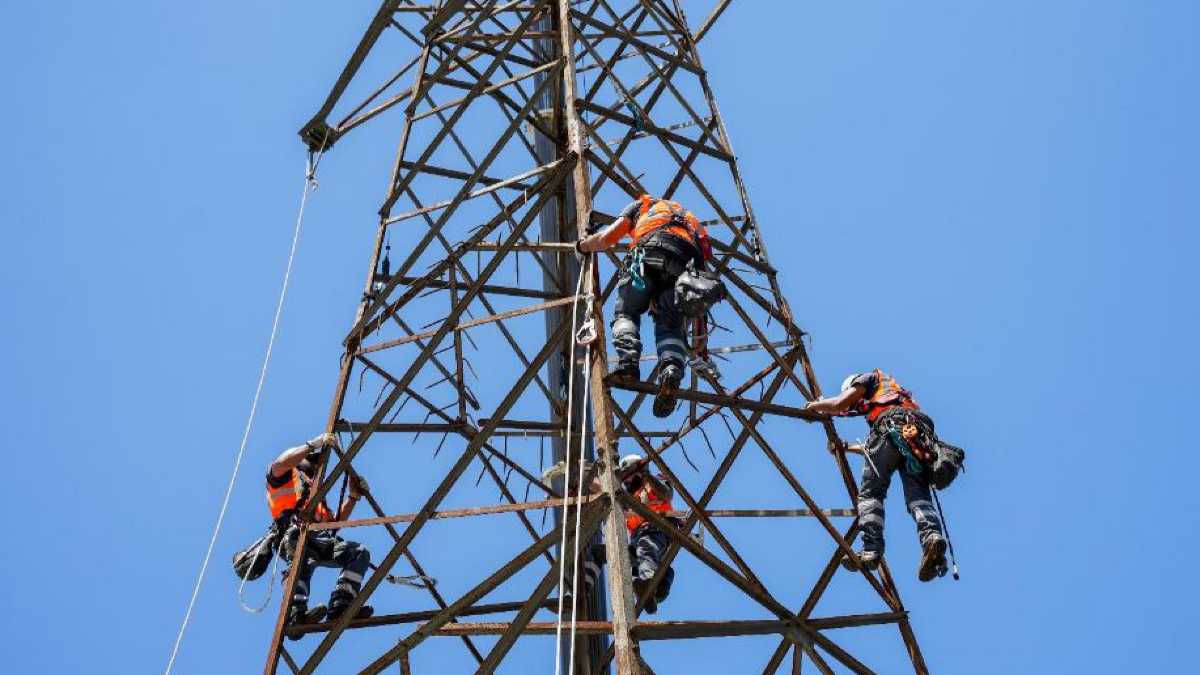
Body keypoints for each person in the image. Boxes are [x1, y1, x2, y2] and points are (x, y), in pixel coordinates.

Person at [804, 370, 949, 582]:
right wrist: (845, 447)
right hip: (917, 438)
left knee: (870, 494)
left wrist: (814, 406)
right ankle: (932, 539)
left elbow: (839, 405)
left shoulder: (867, 379)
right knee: (918, 497)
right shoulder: (894, 397)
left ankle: (871, 550)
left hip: (891, 427)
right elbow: (877, 449)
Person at [576, 195, 712, 417]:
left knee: (626, 312)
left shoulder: (642, 206)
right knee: (670, 324)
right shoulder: (690, 221)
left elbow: (606, 239)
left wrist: (582, 246)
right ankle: (671, 370)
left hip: (648, 257)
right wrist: (701, 329)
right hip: (684, 271)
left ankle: (628, 363)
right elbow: (703, 266)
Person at [267, 432, 373, 631]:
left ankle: (341, 605)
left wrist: (353, 497)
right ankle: (296, 614)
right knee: (302, 561)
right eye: (313, 462)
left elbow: (333, 524)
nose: (316, 468)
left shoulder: (317, 498)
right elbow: (279, 464)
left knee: (358, 553)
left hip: (319, 539)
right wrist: (311, 445)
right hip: (295, 535)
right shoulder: (286, 478)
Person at [618, 453, 679, 613]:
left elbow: (666, 494)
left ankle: (648, 585)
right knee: (615, 557)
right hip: (637, 540)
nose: (626, 481)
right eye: (624, 478)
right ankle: (648, 594)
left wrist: (646, 474)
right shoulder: (628, 499)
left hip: (656, 529)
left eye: (629, 475)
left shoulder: (653, 483)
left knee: (645, 548)